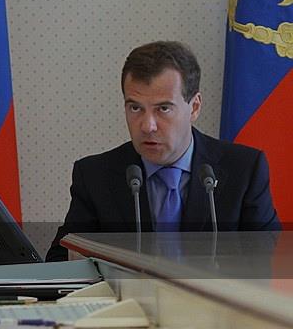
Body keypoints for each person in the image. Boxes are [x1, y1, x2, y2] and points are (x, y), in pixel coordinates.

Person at [46, 41, 281, 261]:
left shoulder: (244, 170)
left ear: (194, 107)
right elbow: (59, 261)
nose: (147, 126)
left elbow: (267, 262)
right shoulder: (95, 175)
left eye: (163, 109)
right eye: (135, 108)